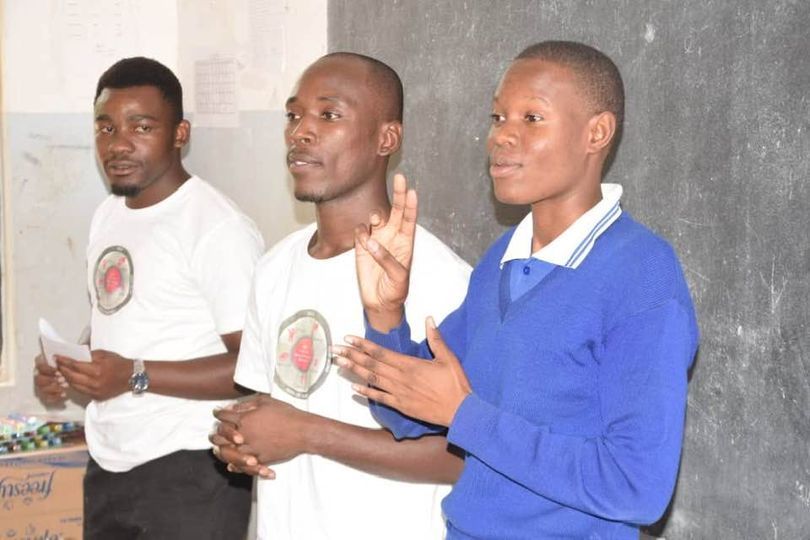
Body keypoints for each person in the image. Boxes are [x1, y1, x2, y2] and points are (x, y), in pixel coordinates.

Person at [337, 41, 700, 539]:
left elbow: (636, 485)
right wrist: (385, 314)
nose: (501, 137)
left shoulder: (642, 274)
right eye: (497, 116)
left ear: (596, 133)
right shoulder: (505, 258)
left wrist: (466, 415)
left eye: (532, 119)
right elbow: (405, 414)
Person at [209, 52, 471, 540]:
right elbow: (271, 408)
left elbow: (460, 457)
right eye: (293, 115)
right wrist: (239, 437)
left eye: (329, 115)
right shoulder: (273, 268)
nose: (299, 132)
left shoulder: (436, 278)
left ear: (386, 138)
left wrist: (307, 433)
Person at [33, 57, 263, 539]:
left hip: (192, 469)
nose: (117, 143)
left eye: (141, 126)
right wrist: (69, 365)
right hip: (111, 459)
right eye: (105, 126)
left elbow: (253, 370)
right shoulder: (108, 215)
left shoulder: (215, 228)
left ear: (180, 133)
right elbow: (116, 319)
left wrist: (134, 375)